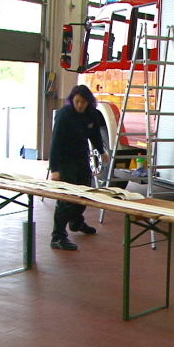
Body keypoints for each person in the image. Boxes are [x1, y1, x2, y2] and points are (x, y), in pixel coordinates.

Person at [48, 85, 109, 251]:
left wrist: (102, 151)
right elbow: (55, 143)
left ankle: (76, 222)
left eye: (83, 102)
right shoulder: (64, 115)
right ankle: (57, 236)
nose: (80, 105)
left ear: (89, 102)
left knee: (84, 192)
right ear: (72, 100)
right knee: (67, 198)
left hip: (81, 158)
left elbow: (95, 135)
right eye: (77, 102)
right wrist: (54, 169)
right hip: (64, 160)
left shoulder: (92, 114)